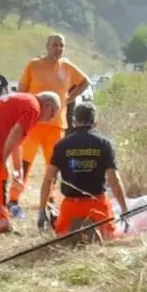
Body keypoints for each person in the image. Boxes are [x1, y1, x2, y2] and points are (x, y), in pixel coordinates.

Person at [9, 34, 91, 217]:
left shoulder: (67, 67)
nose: (58, 48)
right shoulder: (33, 65)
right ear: (47, 46)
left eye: (62, 45)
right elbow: (22, 91)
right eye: (55, 45)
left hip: (56, 126)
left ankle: (50, 201)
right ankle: (14, 200)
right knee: (24, 164)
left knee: (53, 166)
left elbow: (85, 82)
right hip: (32, 124)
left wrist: (69, 98)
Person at [0, 91, 61, 233]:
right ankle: (1, 222)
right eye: (50, 116)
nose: (46, 120)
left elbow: (16, 138)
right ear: (48, 106)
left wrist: (18, 166)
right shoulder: (34, 109)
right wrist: (3, 159)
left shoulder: (26, 100)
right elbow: (15, 134)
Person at [36, 103, 130, 240]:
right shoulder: (104, 144)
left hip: (71, 206)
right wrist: (124, 209)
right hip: (97, 204)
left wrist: (41, 210)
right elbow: (114, 180)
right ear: (95, 122)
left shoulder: (61, 145)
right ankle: (96, 230)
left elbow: (48, 179)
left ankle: (71, 229)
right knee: (109, 237)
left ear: (74, 122)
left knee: (63, 237)